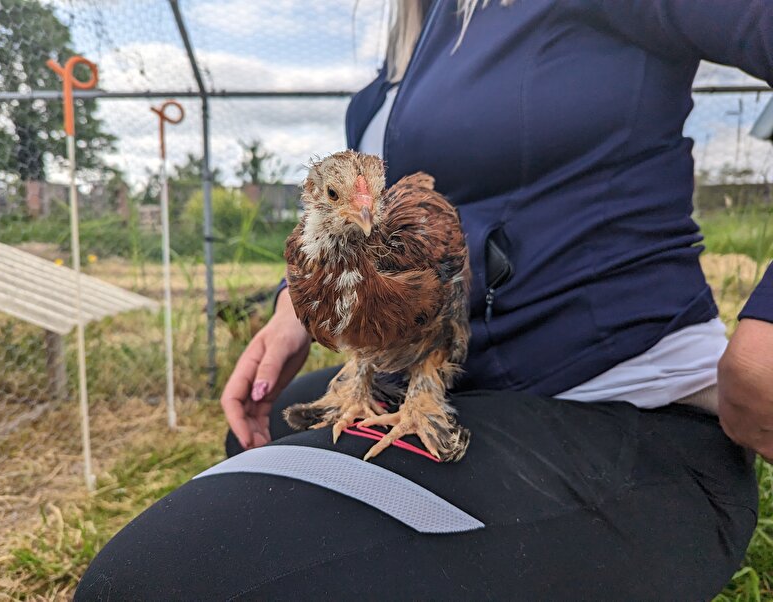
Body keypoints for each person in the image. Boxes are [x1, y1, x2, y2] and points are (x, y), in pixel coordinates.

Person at [76, 1, 773, 599]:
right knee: (265, 429)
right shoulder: (417, 38)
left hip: (616, 401)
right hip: (464, 378)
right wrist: (300, 304)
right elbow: (376, 223)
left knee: (150, 583)